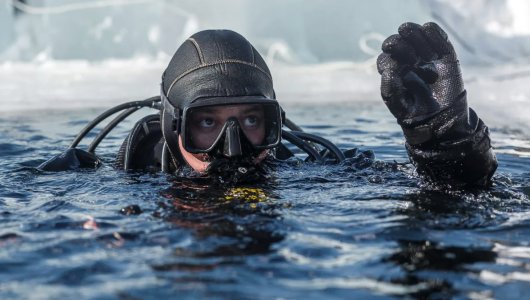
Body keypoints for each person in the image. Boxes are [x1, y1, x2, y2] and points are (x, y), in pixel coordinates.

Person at [39, 22, 497, 187]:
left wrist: (444, 141)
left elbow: (455, 205)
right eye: (207, 124)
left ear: (276, 121)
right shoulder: (105, 186)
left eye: (252, 119)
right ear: (172, 123)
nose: (232, 146)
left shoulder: (317, 171)